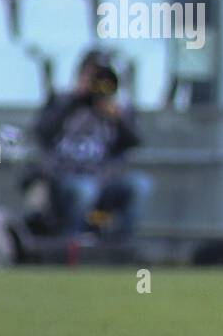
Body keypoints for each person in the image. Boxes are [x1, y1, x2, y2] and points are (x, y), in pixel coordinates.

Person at [31, 51, 149, 240]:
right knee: (86, 189)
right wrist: (76, 100)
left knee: (139, 185)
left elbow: (135, 141)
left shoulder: (117, 108)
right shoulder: (61, 101)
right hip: (64, 179)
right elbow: (42, 132)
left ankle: (123, 247)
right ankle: (74, 246)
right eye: (94, 77)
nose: (98, 84)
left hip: (104, 180)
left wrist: (118, 120)